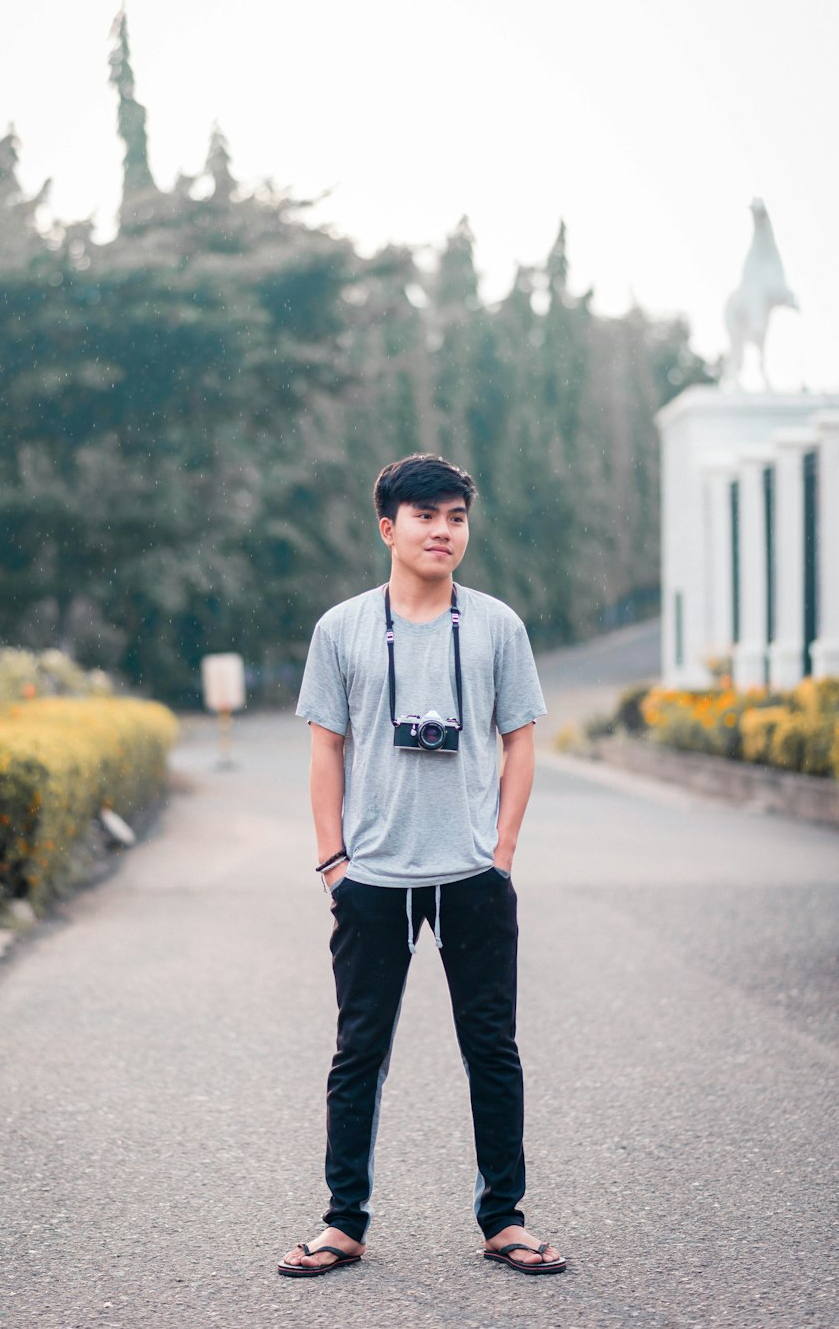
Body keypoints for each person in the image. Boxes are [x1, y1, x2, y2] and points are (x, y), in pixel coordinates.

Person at [278, 452, 566, 1279]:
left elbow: (520, 741)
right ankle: (343, 1223)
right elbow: (326, 749)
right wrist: (334, 860)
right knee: (358, 1052)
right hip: (372, 879)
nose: (443, 531)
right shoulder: (342, 629)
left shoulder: (498, 626)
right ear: (388, 528)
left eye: (456, 518)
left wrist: (501, 852)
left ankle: (504, 1219)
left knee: (492, 1049)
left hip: (472, 877)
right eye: (426, 516)